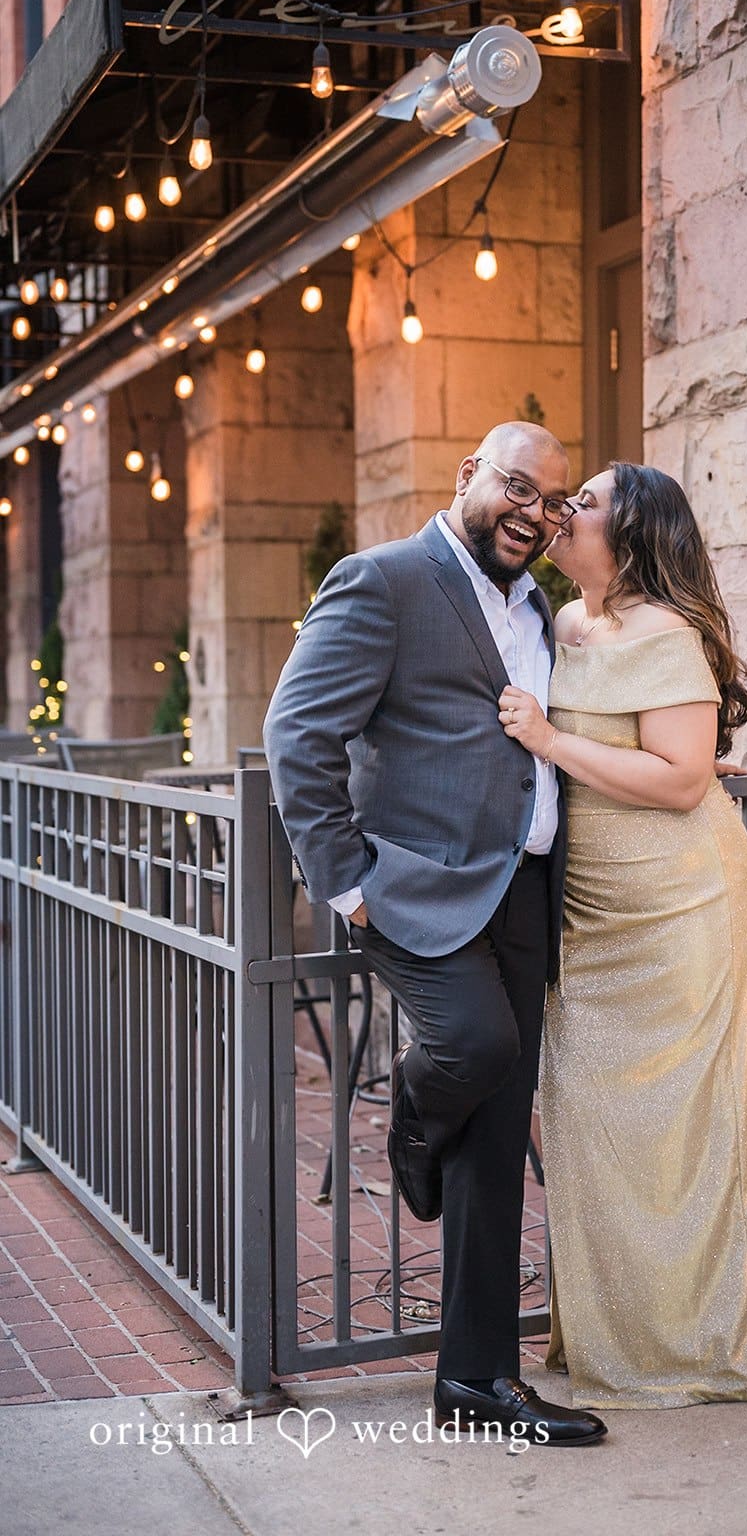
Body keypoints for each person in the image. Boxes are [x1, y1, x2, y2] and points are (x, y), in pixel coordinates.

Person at [262, 422, 606, 1447]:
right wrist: (348, 885)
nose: (532, 512)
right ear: (469, 477)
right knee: (473, 1047)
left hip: (522, 892)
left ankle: (474, 1383)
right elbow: (297, 731)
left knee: (500, 1140)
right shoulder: (383, 579)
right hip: (412, 892)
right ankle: (412, 1117)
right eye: (517, 486)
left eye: (549, 501)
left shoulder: (534, 603)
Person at [498, 460, 747, 1410]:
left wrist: (550, 741)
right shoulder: (559, 619)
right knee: (587, 1117)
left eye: (583, 504)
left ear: (629, 539)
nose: (562, 513)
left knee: (682, 1128)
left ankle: (696, 1349)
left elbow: (681, 779)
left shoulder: (667, 634)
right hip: (591, 907)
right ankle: (610, 1338)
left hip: (679, 907)